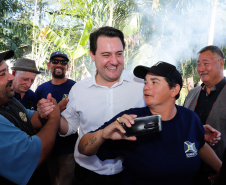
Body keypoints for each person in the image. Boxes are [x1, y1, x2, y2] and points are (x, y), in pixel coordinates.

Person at [78, 61, 222, 185]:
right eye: (146, 82)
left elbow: (200, 145)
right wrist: (103, 134)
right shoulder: (131, 120)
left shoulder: (190, 118)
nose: (146, 87)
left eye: (154, 82)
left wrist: (221, 169)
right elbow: (83, 148)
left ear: (174, 90)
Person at [58, 26, 146, 185]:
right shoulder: (79, 89)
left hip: (130, 173)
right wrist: (53, 116)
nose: (114, 61)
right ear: (92, 55)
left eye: (119, 54)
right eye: (106, 55)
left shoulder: (140, 85)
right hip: (86, 175)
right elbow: (69, 126)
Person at [0, 50, 60, 185]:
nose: (10, 77)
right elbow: (32, 152)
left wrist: (47, 110)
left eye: (8, 70)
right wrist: (54, 117)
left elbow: (29, 117)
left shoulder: (8, 100)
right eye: (3, 74)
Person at [184, 45, 225, 184]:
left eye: (206, 63)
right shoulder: (192, 93)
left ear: (221, 63)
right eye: (198, 64)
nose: (201, 69)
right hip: (189, 170)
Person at [35, 51, 77, 185]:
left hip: (69, 147)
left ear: (67, 67)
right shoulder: (41, 89)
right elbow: (36, 117)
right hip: (48, 147)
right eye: (55, 61)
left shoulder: (75, 87)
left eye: (63, 62)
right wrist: (57, 109)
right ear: (48, 65)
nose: (59, 65)